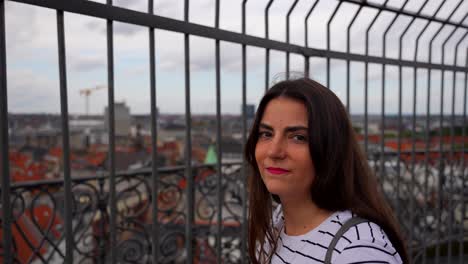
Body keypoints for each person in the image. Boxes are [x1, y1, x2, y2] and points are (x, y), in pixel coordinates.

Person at [245, 78, 409, 263]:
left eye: (298, 137)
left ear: (331, 149)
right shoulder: (279, 221)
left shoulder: (358, 251)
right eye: (266, 134)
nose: (274, 151)